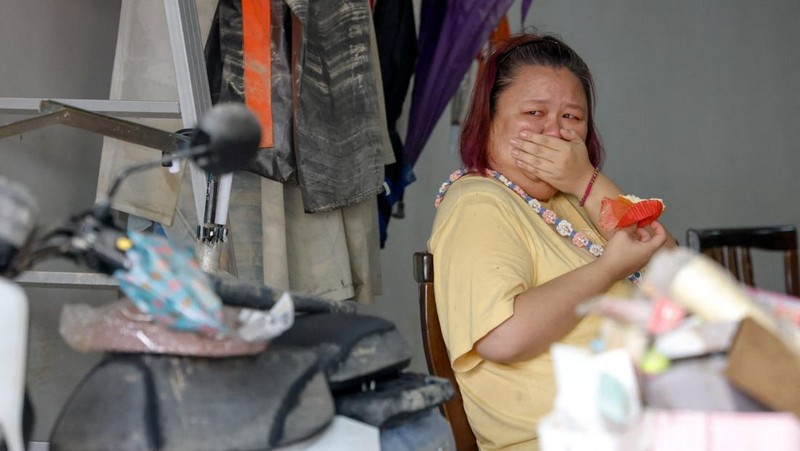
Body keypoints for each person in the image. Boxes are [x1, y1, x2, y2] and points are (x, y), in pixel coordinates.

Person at [427, 33, 675, 450]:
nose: (554, 133)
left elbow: (682, 281)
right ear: (488, 120)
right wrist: (607, 269)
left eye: (571, 119)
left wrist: (584, 180)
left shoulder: (574, 198)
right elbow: (502, 336)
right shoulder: (478, 201)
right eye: (534, 112)